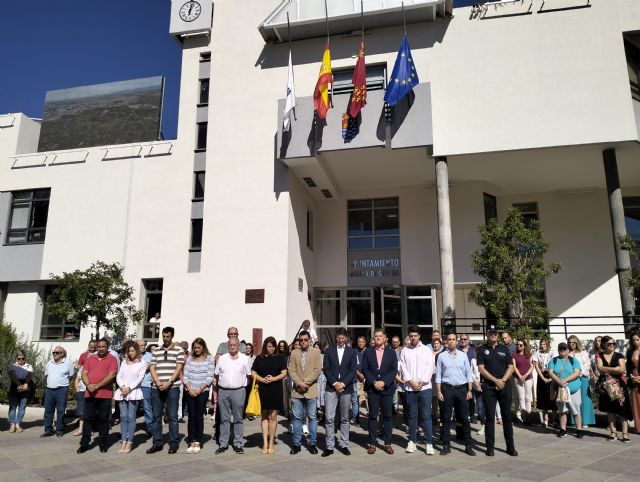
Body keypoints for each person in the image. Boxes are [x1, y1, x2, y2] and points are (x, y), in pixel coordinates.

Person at [476, 328, 518, 457]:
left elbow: (511, 366)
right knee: (489, 418)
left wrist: (503, 380)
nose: (493, 335)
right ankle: (490, 448)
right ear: (487, 335)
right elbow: (481, 369)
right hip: (489, 388)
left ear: (497, 335)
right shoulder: (482, 349)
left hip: (504, 387)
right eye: (490, 334)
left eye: (495, 334)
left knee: (507, 418)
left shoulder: (504, 349)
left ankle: (510, 447)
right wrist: (496, 381)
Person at [436, 332, 476, 456]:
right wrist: (439, 391)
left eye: (454, 339)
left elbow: (468, 374)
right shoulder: (441, 356)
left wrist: (469, 390)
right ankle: (446, 445)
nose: (452, 341)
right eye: (449, 339)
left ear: (457, 341)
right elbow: (438, 376)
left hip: (462, 389)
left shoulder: (463, 356)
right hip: (447, 389)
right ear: (446, 342)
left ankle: (468, 445)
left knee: (464, 418)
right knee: (446, 418)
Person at [147, 326, 185, 454]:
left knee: (173, 416)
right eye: (164, 336)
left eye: (168, 336)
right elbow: (152, 367)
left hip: (172, 387)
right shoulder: (156, 350)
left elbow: (179, 367)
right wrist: (157, 382)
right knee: (156, 417)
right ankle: (157, 443)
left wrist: (169, 382)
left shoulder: (179, 350)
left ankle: (173, 443)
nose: (165, 339)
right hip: (156, 387)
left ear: (172, 336)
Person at [399, 325, 435, 456]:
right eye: (411, 336)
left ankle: (429, 443)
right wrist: (412, 382)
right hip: (410, 388)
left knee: (426, 416)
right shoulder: (404, 351)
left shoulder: (426, 350)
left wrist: (421, 381)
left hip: (424, 388)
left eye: (415, 335)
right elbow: (403, 367)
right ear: (409, 336)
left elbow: (430, 367)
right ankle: (412, 442)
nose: (413, 338)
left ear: (419, 336)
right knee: (412, 416)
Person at [321, 327, 357, 457]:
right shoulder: (329, 351)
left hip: (346, 388)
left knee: (345, 418)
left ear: (346, 338)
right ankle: (329, 446)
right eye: (338, 338)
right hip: (331, 388)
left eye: (343, 338)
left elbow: (353, 370)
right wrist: (335, 383)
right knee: (329, 418)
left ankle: (344, 444)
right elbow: (326, 369)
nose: (341, 340)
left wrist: (343, 383)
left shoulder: (352, 352)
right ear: (336, 338)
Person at [77, 338, 118, 453]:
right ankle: (84, 444)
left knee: (103, 420)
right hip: (90, 393)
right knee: (87, 419)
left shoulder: (112, 359)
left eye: (103, 346)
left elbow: (111, 375)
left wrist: (98, 386)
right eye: (99, 347)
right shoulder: (91, 359)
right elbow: (84, 373)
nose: (100, 349)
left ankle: (103, 444)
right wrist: (88, 384)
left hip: (105, 395)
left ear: (107, 347)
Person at [362, 329, 398, 455]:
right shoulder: (367, 352)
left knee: (387, 416)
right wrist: (373, 381)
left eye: (380, 336)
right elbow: (364, 369)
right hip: (372, 389)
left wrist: (384, 382)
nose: (378, 338)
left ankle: (387, 443)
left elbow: (394, 370)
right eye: (375, 336)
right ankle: (372, 443)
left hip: (387, 389)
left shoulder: (391, 352)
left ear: (385, 338)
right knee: (372, 416)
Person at [215, 337, 251, 454]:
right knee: (224, 419)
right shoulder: (222, 358)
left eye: (234, 345)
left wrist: (242, 386)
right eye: (230, 345)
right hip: (223, 391)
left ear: (238, 345)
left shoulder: (245, 359)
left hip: (238, 391)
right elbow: (216, 374)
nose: (232, 347)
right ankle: (223, 443)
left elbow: (248, 375)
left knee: (238, 418)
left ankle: (238, 443)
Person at [252, 336, 287, 454]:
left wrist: (273, 379)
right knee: (264, 415)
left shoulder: (280, 358)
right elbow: (253, 372)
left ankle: (271, 442)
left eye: (273, 346)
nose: (271, 348)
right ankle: (265, 442)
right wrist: (262, 379)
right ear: (265, 347)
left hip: (275, 388)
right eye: (269, 346)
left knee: (273, 416)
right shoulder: (259, 358)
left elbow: (284, 373)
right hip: (262, 388)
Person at [288, 330, 322, 454]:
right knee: (297, 419)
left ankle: (312, 443)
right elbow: (291, 371)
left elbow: (318, 370)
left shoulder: (316, 352)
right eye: (301, 340)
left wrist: (305, 382)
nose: (303, 342)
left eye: (305, 340)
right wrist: (299, 383)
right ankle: (296, 444)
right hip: (297, 391)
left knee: (312, 418)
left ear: (310, 340)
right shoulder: (294, 353)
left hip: (311, 390)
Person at [597, 335, 633, 441]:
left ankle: (625, 433)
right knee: (610, 409)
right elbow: (600, 369)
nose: (612, 345)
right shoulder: (599, 355)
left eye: (613, 343)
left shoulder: (619, 355)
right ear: (603, 344)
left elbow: (622, 369)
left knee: (622, 409)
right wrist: (614, 369)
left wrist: (607, 369)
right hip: (606, 384)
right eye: (609, 343)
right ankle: (613, 432)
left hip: (619, 385)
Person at [114, 340, 147, 453]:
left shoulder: (142, 363)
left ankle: (130, 442)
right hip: (122, 391)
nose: (130, 353)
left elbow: (140, 378)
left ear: (136, 351)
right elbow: (119, 375)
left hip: (133, 392)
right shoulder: (124, 362)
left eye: (132, 351)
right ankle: (123, 441)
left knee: (131, 417)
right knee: (123, 417)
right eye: (129, 351)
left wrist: (129, 388)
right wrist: (123, 386)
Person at [183, 337, 216, 454]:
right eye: (195, 348)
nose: (196, 350)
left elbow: (209, 376)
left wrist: (200, 389)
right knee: (191, 416)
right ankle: (191, 439)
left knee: (198, 415)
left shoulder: (210, 359)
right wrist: (189, 388)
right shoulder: (190, 359)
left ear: (203, 347)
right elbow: (185, 375)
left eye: (198, 347)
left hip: (203, 391)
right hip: (190, 390)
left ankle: (197, 440)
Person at [548, 342, 583, 438]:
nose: (562, 350)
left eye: (564, 349)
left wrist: (565, 380)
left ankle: (579, 429)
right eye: (560, 349)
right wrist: (559, 381)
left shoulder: (573, 360)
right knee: (562, 410)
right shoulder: (553, 360)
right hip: (560, 389)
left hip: (573, 390)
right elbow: (550, 372)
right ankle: (563, 429)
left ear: (568, 350)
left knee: (576, 410)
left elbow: (577, 372)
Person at [41, 346, 74, 438]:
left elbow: (71, 376)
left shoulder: (68, 363)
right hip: (49, 389)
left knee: (60, 411)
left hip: (62, 389)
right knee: (48, 410)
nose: (55, 354)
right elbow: (46, 375)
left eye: (57, 352)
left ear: (62, 354)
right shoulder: (49, 363)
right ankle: (48, 430)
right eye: (54, 352)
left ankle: (59, 430)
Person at [567, 335, 596, 428]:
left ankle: (585, 420)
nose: (572, 345)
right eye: (570, 343)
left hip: (582, 377)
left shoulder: (583, 353)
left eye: (574, 343)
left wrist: (580, 373)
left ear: (577, 343)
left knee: (584, 399)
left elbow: (587, 364)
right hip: (572, 379)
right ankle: (573, 420)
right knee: (573, 400)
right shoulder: (567, 355)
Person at [533, 339, 555, 428]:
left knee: (553, 398)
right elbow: (536, 366)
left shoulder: (553, 353)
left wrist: (551, 377)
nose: (543, 346)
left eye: (544, 344)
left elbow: (555, 364)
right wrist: (542, 378)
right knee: (543, 399)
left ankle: (554, 420)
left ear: (548, 344)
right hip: (542, 375)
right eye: (541, 344)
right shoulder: (537, 353)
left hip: (552, 375)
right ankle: (546, 420)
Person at [8, 350, 32, 433]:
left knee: (22, 407)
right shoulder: (12, 366)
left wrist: (25, 384)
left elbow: (29, 376)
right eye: (19, 359)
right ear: (16, 358)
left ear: (25, 358)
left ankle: (18, 424)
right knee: (12, 407)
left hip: (25, 388)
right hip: (14, 387)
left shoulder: (29, 366)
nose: (21, 360)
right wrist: (18, 384)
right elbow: (12, 376)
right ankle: (12, 424)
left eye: (23, 358)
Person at [512, 340, 533, 424]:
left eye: (521, 345)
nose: (518, 346)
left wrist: (526, 375)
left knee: (528, 397)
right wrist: (520, 376)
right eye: (517, 344)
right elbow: (514, 366)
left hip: (528, 378)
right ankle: (524, 417)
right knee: (521, 397)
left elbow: (532, 366)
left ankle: (528, 416)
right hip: (518, 378)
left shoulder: (529, 355)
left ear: (524, 346)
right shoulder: (514, 354)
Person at [137, 339, 154, 438]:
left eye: (144, 345)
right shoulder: (132, 354)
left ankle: (150, 429)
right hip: (133, 386)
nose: (143, 347)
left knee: (147, 408)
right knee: (132, 409)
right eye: (141, 345)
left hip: (145, 385)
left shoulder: (149, 355)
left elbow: (145, 368)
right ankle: (127, 431)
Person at [626, 332, 640, 434]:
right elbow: (629, 367)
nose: (635, 342)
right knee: (637, 404)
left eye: (637, 339)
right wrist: (631, 376)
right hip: (634, 379)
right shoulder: (630, 351)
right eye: (633, 340)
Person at [352, 336, 367, 425]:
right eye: (359, 341)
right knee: (355, 399)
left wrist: (364, 376)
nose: (361, 343)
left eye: (362, 342)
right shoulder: (354, 352)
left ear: (365, 343)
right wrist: (359, 374)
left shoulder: (368, 352)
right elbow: (353, 365)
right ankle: (356, 418)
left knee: (367, 399)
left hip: (367, 379)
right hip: (356, 379)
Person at [314, 341, 327, 422]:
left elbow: (325, 367)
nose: (316, 349)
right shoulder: (312, 357)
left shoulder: (324, 356)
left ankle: (323, 415)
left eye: (317, 348)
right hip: (315, 378)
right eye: (314, 348)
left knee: (323, 396)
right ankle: (317, 414)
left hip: (323, 378)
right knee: (316, 396)